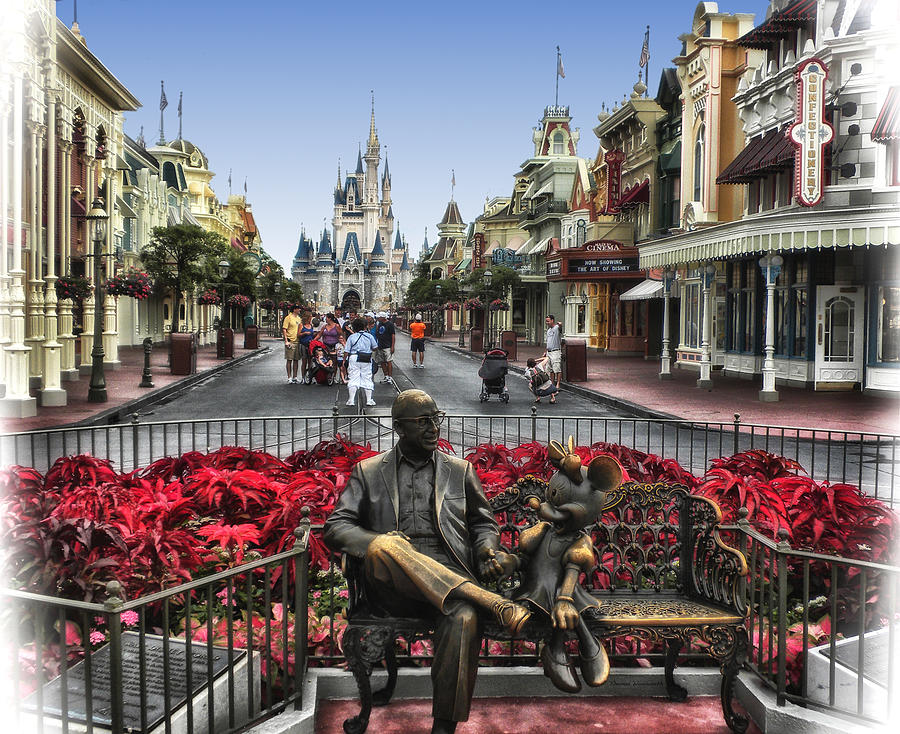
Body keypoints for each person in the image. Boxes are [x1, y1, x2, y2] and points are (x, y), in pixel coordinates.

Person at [324, 389, 530, 734]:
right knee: (388, 546)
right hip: (392, 586)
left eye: (436, 418)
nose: (434, 427)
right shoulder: (369, 471)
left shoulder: (459, 470)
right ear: (399, 427)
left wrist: (485, 549)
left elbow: (483, 523)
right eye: (423, 421)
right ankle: (490, 601)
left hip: (450, 580)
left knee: (464, 617)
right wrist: (377, 541)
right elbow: (336, 526)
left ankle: (443, 728)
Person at [344, 316, 378, 407]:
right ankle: (369, 400)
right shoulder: (369, 336)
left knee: (353, 377)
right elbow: (375, 348)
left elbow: (346, 351)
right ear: (364, 326)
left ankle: (351, 400)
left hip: (354, 357)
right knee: (367, 377)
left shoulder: (352, 337)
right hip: (366, 358)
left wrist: (344, 361)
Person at [281, 304, 302, 384]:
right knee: (289, 359)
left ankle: (295, 377)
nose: (299, 310)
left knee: (296, 360)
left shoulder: (299, 319)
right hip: (290, 341)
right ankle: (289, 377)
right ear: (294, 310)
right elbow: (284, 329)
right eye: (298, 309)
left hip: (297, 341)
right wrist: (286, 340)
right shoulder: (288, 318)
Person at [374, 311, 396, 383]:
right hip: (380, 345)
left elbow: (393, 335)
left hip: (387, 346)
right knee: (382, 361)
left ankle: (390, 376)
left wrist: (392, 346)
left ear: (383, 317)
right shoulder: (380, 324)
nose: (378, 318)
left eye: (379, 317)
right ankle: (386, 375)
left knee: (388, 361)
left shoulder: (390, 324)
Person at [544, 314, 563, 389]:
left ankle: (558, 383)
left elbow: (560, 329)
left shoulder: (557, 328)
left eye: (548, 321)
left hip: (555, 351)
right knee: (550, 369)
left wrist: (560, 325)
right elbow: (548, 342)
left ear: (552, 320)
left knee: (557, 368)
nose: (547, 323)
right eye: (546, 321)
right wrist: (545, 351)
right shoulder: (548, 331)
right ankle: (552, 383)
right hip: (549, 352)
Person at [298, 311, 316, 381]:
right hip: (303, 345)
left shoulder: (311, 325)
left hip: (310, 345)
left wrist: (314, 334)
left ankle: (310, 376)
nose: (311, 319)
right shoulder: (301, 325)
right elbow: (298, 335)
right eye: (310, 317)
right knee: (304, 361)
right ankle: (303, 377)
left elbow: (312, 334)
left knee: (310, 361)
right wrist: (304, 333)